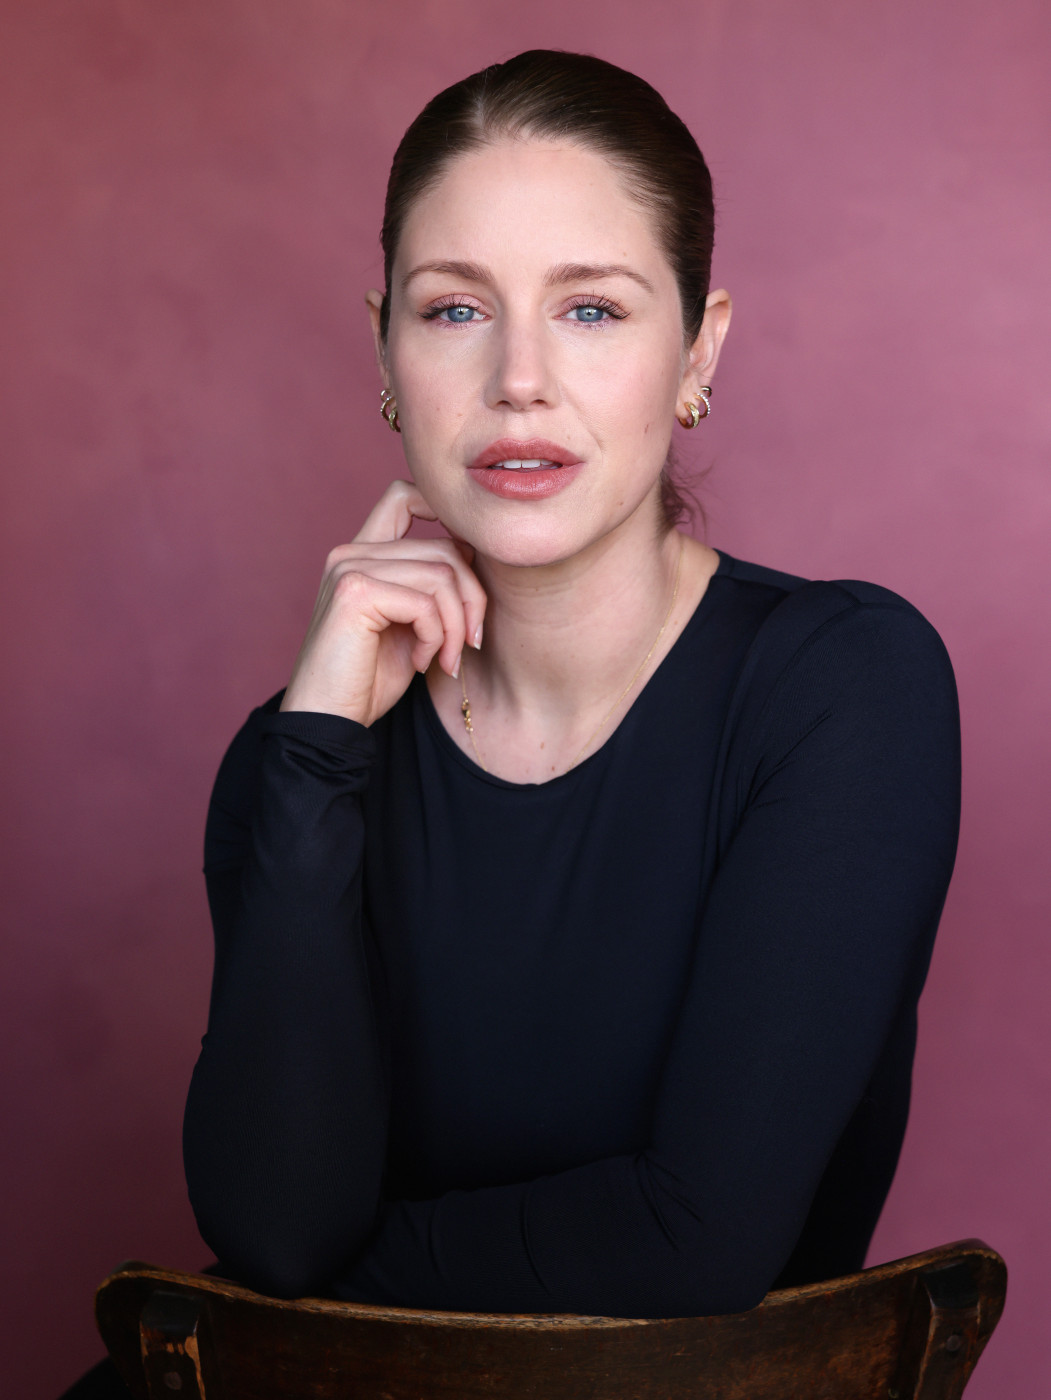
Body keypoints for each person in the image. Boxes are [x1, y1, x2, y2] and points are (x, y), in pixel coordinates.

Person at [177, 47, 960, 1328]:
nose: (519, 378)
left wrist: (297, 1295)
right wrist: (314, 751)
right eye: (454, 310)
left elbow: (693, 1243)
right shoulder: (298, 759)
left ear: (697, 350)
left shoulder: (843, 687)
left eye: (590, 308)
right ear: (384, 349)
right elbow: (271, 1224)